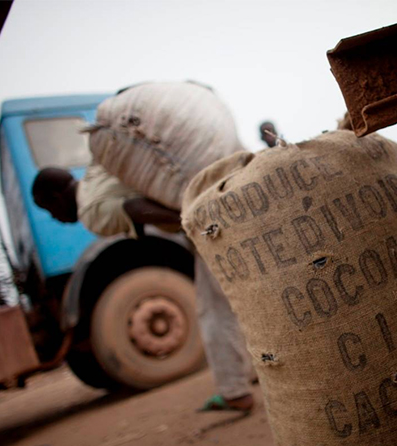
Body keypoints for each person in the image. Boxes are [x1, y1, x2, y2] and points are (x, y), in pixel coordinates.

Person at [32, 83, 255, 413]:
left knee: (214, 307)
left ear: (55, 198)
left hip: (207, 221)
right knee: (234, 298)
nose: (57, 219)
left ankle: (236, 390)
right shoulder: (97, 167)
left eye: (50, 211)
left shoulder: (90, 211)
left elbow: (136, 208)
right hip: (213, 206)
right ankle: (249, 376)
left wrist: (191, 218)